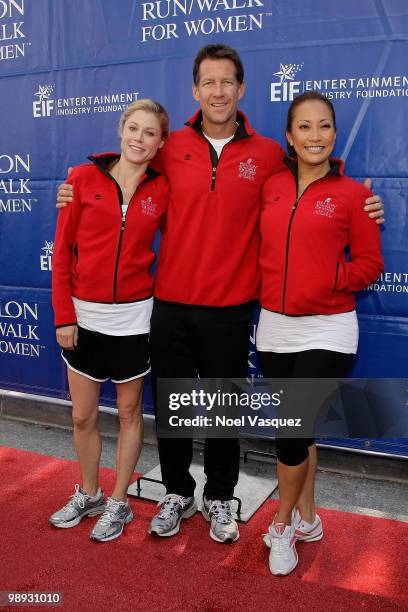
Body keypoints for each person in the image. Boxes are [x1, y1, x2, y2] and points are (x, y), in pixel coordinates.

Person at [56, 45, 385, 545]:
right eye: (208, 82)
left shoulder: (268, 154)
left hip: (232, 307)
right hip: (168, 303)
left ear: (242, 89)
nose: (217, 91)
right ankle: (176, 491)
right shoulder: (171, 146)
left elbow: (308, 180)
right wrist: (77, 187)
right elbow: (128, 168)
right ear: (195, 90)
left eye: (227, 82)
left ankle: (221, 495)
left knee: (223, 406)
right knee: (175, 405)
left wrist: (363, 201)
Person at [257, 91, 384, 575]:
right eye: (304, 127)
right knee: (300, 430)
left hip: (329, 327)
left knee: (290, 430)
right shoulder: (268, 187)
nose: (315, 136)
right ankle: (310, 518)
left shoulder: (354, 194)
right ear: (289, 137)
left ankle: (283, 523)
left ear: (334, 133)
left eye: (324, 126)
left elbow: (371, 264)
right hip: (273, 328)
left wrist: (330, 279)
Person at [49, 99, 169, 542]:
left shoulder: (164, 188)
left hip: (135, 319)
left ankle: (119, 501)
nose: (139, 138)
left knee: (128, 411)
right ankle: (90, 492)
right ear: (121, 130)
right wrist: (65, 314)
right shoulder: (80, 180)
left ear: (159, 144)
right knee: (82, 417)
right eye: (133, 128)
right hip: (84, 317)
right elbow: (62, 255)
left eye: (150, 133)